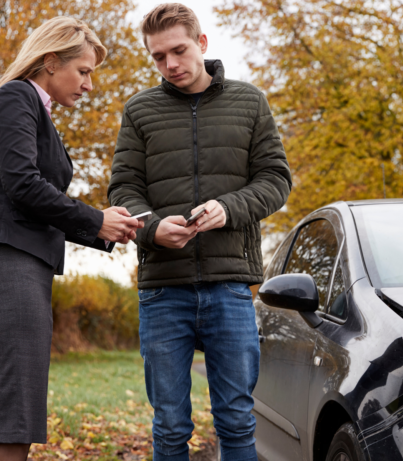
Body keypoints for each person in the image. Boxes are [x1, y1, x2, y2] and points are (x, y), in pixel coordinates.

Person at [108, 4, 293, 460]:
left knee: (235, 420)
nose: (170, 64)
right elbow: (123, 188)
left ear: (202, 44)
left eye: (179, 50)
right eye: (158, 56)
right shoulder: (139, 110)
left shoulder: (250, 102)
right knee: (170, 426)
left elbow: (276, 180)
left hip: (230, 287)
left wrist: (228, 208)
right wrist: (151, 228)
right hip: (162, 289)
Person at [0, 17, 142, 461]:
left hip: (23, 267)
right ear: (49, 61)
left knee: (15, 417)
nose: (89, 85)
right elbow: (23, 185)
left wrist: (107, 229)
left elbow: (38, 200)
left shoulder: (35, 109)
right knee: (12, 420)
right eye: (83, 71)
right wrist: (95, 219)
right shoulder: (16, 96)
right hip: (7, 267)